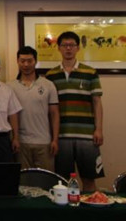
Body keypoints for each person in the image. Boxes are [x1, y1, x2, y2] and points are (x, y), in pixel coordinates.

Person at [46, 31, 104, 192]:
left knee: (89, 180)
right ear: (59, 48)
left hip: (87, 135)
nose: (68, 48)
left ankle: (90, 206)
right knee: (63, 181)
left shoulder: (90, 72)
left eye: (72, 45)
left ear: (78, 48)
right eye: (64, 45)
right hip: (61, 136)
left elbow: (97, 103)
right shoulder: (51, 75)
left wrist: (99, 129)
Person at [8, 46, 59, 171]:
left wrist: (55, 140)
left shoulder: (48, 85)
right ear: (17, 61)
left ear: (35, 61)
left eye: (29, 61)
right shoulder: (10, 87)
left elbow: (54, 114)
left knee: (45, 179)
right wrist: (15, 138)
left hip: (44, 142)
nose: (26, 64)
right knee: (23, 180)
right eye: (22, 61)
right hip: (20, 143)